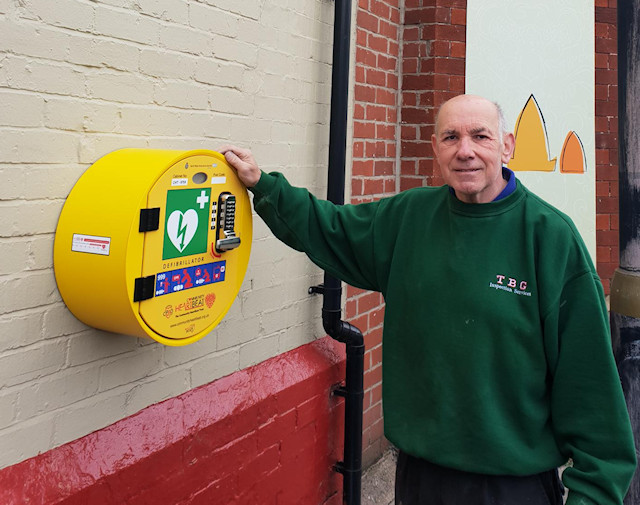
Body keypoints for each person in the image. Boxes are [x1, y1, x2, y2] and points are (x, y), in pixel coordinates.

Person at [220, 94, 636, 505]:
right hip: (419, 479)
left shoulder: (550, 238)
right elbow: (329, 227)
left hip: (510, 487)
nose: (465, 151)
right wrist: (264, 185)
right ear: (436, 148)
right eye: (451, 137)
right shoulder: (409, 219)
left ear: (507, 145)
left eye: (481, 136)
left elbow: (592, 393)